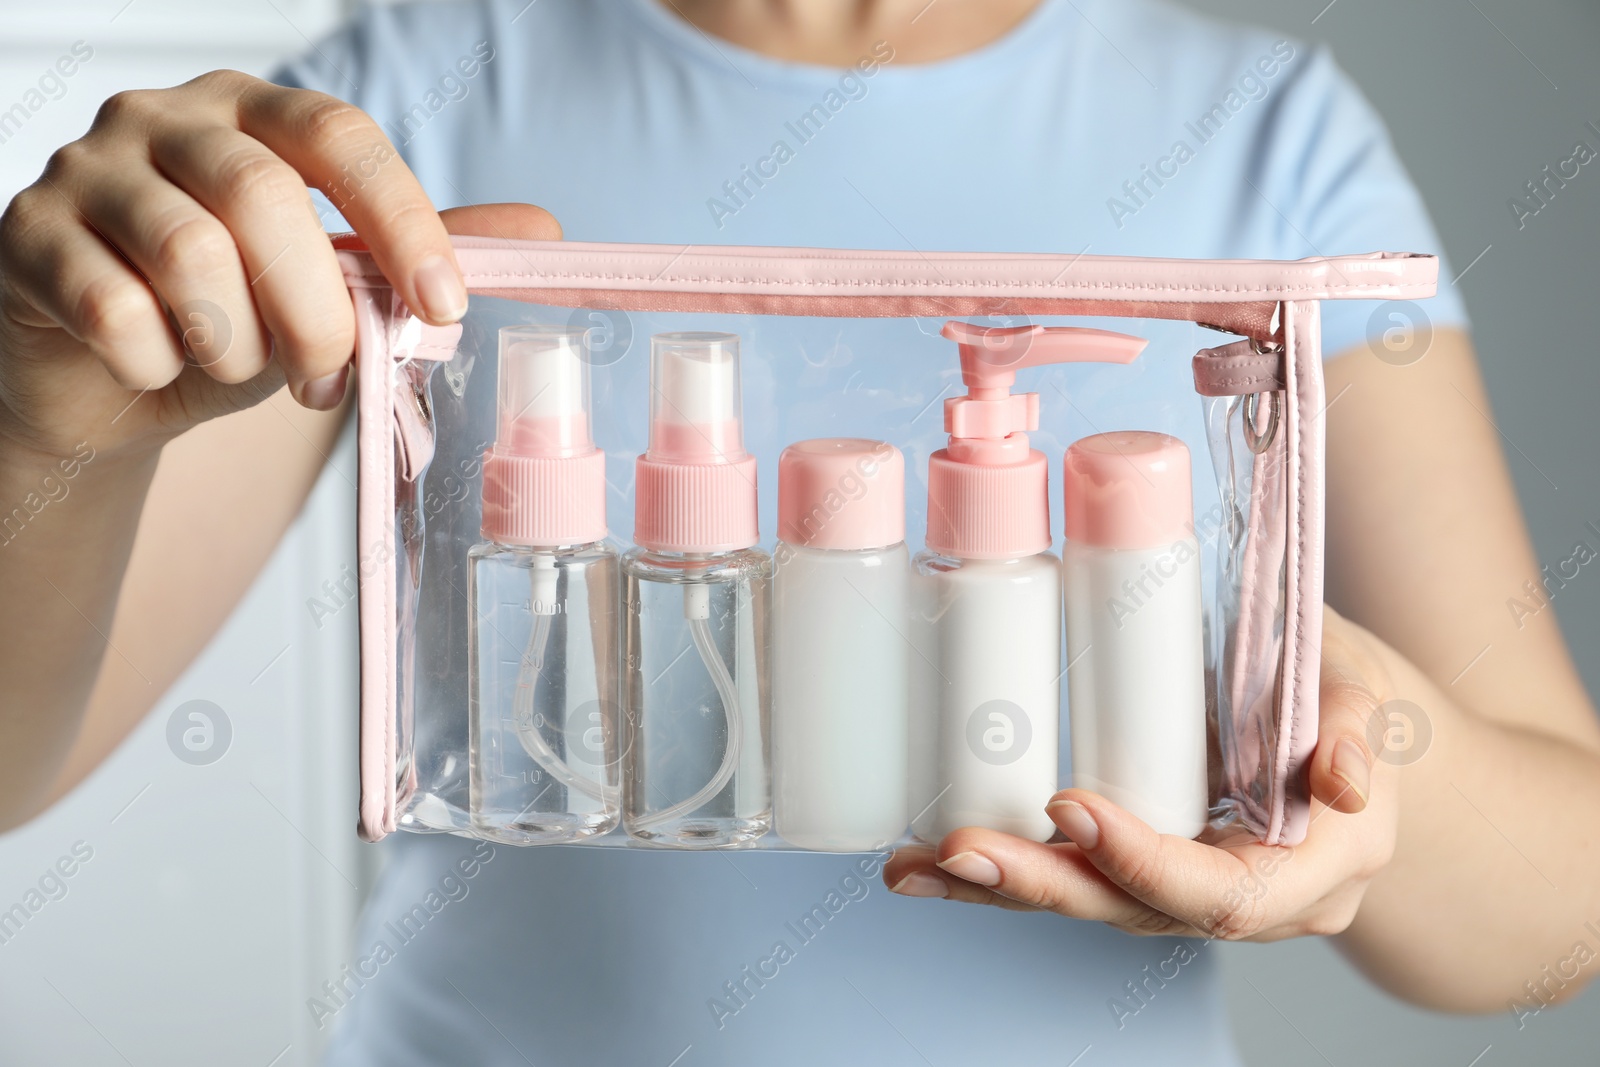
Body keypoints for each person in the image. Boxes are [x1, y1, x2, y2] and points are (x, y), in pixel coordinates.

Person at [1, 0, 1595, 1063]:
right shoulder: (407, 95)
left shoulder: (1266, 131)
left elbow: (1557, 913)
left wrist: (1333, 760)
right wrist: (39, 411)